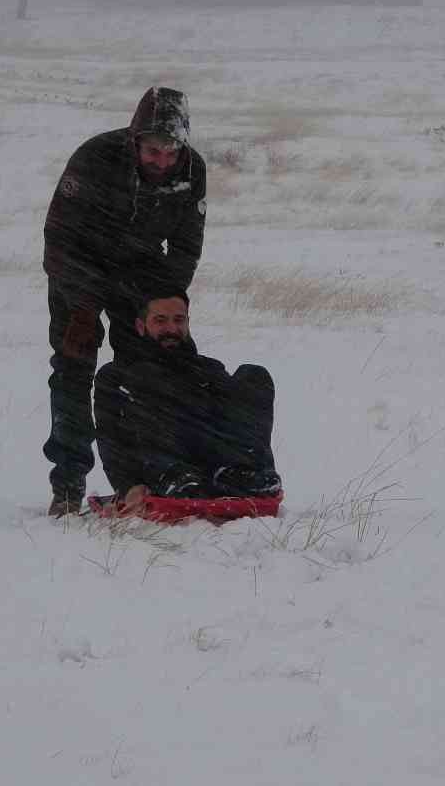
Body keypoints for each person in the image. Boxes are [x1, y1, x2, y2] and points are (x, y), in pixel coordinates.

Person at [41, 86, 208, 516]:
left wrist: (168, 302)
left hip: (142, 274)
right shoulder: (93, 159)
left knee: (157, 370)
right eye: (153, 152)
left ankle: (155, 473)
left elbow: (187, 244)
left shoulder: (193, 170)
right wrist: (82, 307)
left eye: (170, 153)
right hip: (80, 267)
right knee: (74, 367)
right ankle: (68, 481)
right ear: (135, 140)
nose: (162, 162)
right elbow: (59, 239)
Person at [93, 290, 281, 517]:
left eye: (178, 320)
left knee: (254, 376)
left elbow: (237, 420)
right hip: (161, 467)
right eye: (160, 320)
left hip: (211, 463)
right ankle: (177, 478)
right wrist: (127, 486)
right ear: (141, 326)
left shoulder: (207, 370)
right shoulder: (116, 376)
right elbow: (110, 439)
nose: (171, 329)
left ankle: (241, 472)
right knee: (148, 379)